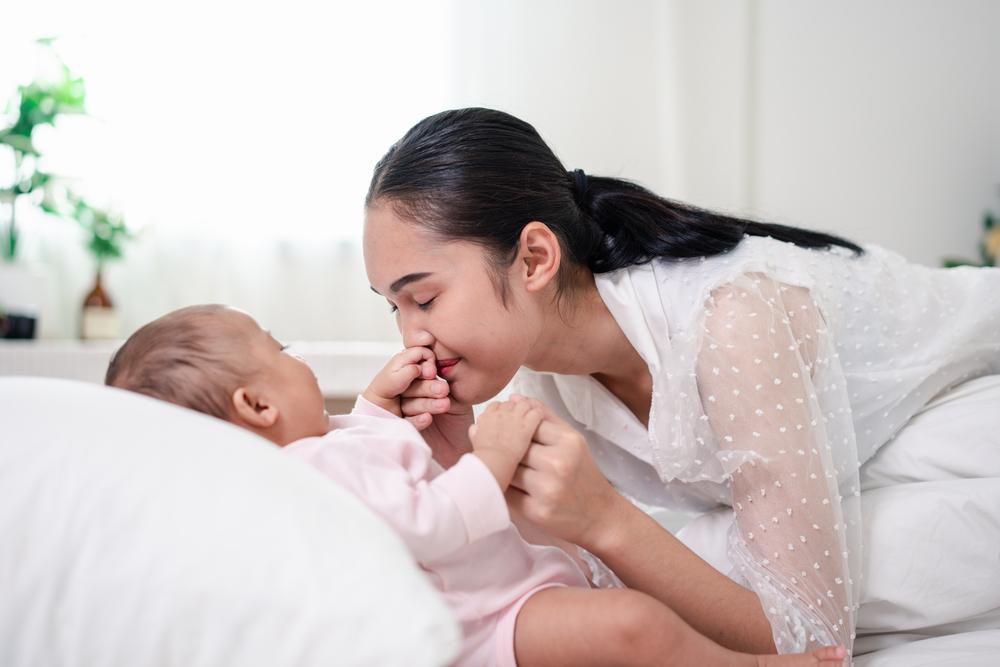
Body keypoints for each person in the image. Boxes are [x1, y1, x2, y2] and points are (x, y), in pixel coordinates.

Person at [361, 107, 1000, 658]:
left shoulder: (729, 321)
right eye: (395, 308)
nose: (410, 337)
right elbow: (585, 590)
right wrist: (458, 463)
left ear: (534, 258)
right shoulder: (537, 385)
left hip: (967, 379)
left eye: (423, 298)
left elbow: (810, 642)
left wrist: (606, 518)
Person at [104, 305, 846, 667]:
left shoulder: (321, 451)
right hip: (486, 628)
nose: (299, 362)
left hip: (505, 596)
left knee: (628, 622)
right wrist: (487, 455)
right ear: (258, 406)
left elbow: (369, 458)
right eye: (282, 350)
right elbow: (424, 520)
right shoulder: (306, 474)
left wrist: (375, 402)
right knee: (633, 628)